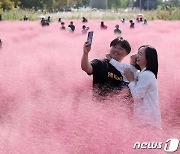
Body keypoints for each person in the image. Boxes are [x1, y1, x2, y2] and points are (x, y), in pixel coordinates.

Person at [124, 45, 161, 128]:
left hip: (148, 122)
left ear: (148, 58)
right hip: (146, 121)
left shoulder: (146, 75)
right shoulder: (143, 74)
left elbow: (137, 95)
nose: (137, 56)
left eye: (140, 54)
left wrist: (131, 80)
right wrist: (132, 63)